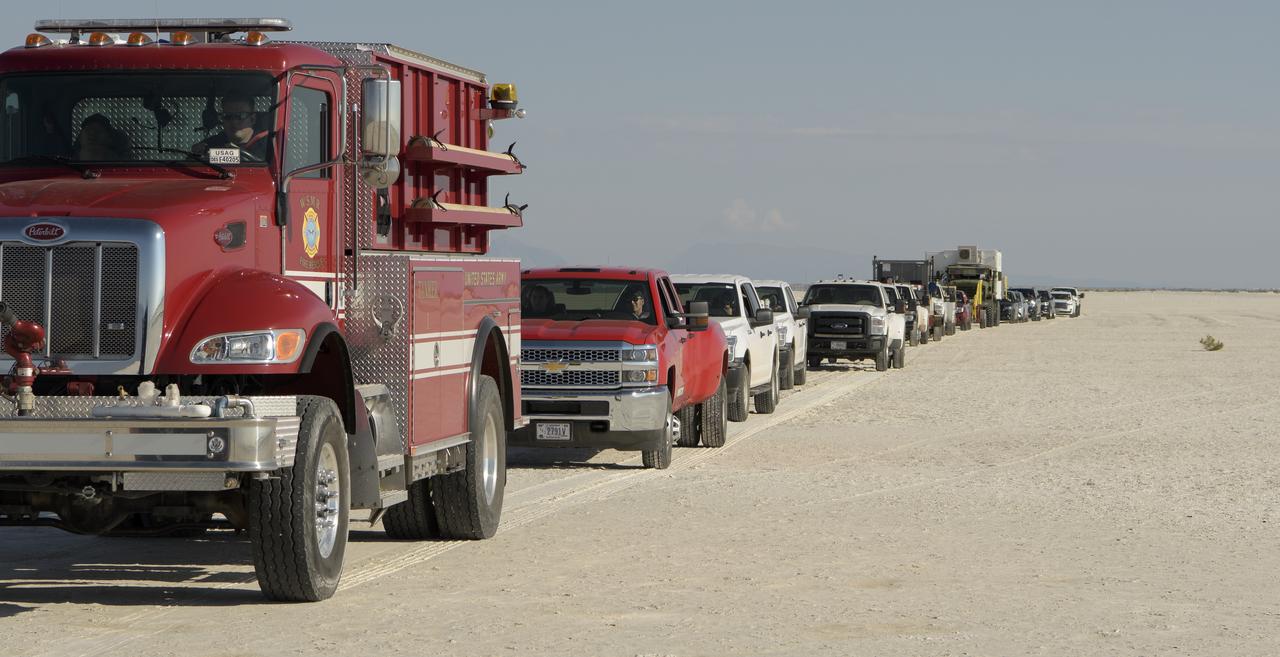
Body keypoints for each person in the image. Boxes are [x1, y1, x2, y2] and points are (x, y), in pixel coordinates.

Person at [192, 94, 269, 160]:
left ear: (252, 119)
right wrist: (196, 156)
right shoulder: (210, 145)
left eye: (240, 116)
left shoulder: (268, 146)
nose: (234, 122)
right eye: (227, 116)